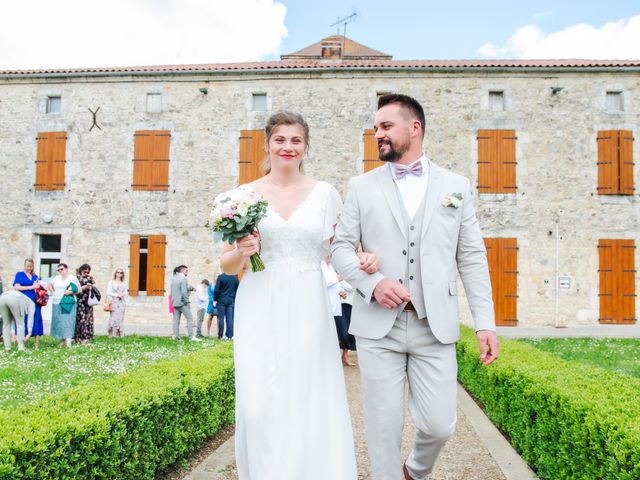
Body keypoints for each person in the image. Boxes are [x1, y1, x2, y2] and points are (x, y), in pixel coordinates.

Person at [332, 93, 499, 480]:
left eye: (386, 126)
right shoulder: (361, 186)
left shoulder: (456, 186)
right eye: (376, 128)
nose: (378, 134)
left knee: (440, 424)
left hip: (433, 326)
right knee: (383, 428)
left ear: (415, 128)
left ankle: (416, 469)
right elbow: (340, 248)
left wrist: (484, 323)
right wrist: (372, 283)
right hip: (377, 328)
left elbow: (472, 258)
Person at [220, 111, 377, 479]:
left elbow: (339, 251)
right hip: (259, 301)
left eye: (295, 141)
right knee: (258, 403)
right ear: (267, 144)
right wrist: (241, 250)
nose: (287, 147)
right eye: (280, 139)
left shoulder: (325, 194)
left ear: (306, 146)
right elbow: (227, 266)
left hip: (309, 303)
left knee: (308, 396)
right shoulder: (244, 196)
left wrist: (363, 259)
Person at [12, 258, 44, 348]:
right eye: (27, 266)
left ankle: (36, 344)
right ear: (24, 265)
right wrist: (31, 286)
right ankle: (21, 341)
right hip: (23, 300)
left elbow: (38, 287)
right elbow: (17, 287)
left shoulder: (35, 276)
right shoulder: (20, 275)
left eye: (30, 266)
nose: (28, 268)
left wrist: (40, 287)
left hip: (35, 301)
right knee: (23, 319)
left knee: (37, 319)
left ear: (33, 266)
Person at [48, 263, 80, 348]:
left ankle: (68, 342)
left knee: (68, 321)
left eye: (61, 269)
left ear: (66, 269)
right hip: (56, 302)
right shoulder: (56, 278)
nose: (60, 271)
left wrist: (70, 292)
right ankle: (63, 340)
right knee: (59, 322)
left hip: (68, 302)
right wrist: (53, 292)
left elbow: (79, 290)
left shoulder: (72, 278)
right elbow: (49, 285)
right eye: (58, 270)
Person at [170, 265, 199, 341]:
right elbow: (183, 292)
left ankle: (176, 337)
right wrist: (187, 301)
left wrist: (190, 288)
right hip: (182, 303)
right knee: (189, 318)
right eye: (186, 271)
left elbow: (178, 289)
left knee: (176, 320)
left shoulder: (174, 278)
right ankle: (191, 337)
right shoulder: (183, 279)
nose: (187, 272)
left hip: (174, 302)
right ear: (182, 271)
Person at [212, 272, 238, 340]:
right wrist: (233, 298)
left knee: (221, 318)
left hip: (221, 299)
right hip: (230, 299)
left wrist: (215, 299)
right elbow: (236, 289)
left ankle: (220, 335)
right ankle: (230, 335)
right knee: (229, 318)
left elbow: (216, 290)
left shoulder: (221, 277)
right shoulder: (235, 277)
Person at [75, 264, 96, 344]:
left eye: (88, 272)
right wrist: (83, 287)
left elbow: (94, 286)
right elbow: (74, 288)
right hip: (80, 301)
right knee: (80, 320)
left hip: (88, 302)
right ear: (81, 270)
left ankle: (87, 337)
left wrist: (90, 286)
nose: (86, 273)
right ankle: (78, 337)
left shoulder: (90, 278)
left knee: (88, 320)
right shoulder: (76, 278)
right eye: (85, 271)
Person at [338, 277, 357, 366]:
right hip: (339, 305)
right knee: (343, 332)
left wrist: (341, 280)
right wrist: (339, 280)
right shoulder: (335, 274)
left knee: (349, 333)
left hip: (351, 306)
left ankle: (345, 355)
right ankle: (338, 356)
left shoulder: (351, 274)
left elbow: (352, 287)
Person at [107, 268, 127, 338]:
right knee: (113, 317)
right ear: (115, 273)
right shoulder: (111, 282)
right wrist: (116, 295)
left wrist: (122, 294)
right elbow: (108, 292)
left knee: (120, 318)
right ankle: (112, 334)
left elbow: (126, 291)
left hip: (121, 302)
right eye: (118, 272)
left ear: (122, 274)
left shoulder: (124, 283)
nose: (119, 274)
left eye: (121, 273)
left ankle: (120, 334)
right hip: (114, 301)